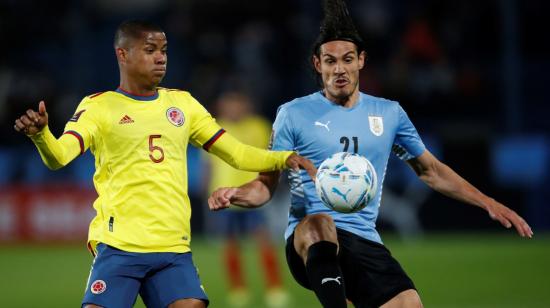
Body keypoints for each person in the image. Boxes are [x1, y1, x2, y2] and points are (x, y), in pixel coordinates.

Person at [207, 1, 534, 307]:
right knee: (319, 223)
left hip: (364, 239)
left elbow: (430, 171)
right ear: (317, 64)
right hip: (309, 243)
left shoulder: (389, 113)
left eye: (348, 59)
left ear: (361, 60)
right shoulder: (293, 114)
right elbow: (266, 185)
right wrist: (237, 193)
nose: (340, 69)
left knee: (408, 303)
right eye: (331, 61)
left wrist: (487, 202)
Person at [13, 20, 315, 308]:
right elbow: (58, 157)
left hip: (172, 248)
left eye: (164, 50)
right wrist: (41, 135)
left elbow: (236, 153)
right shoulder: (98, 107)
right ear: (123, 53)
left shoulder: (183, 104)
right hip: (119, 246)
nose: (161, 58)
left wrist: (283, 157)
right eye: (150, 50)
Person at [204, 91, 289, 307]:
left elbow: (269, 159)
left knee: (264, 244)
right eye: (229, 102)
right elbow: (209, 165)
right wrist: (207, 193)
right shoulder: (214, 127)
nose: (233, 107)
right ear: (222, 104)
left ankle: (275, 289)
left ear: (246, 103)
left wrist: (271, 187)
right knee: (229, 247)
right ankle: (238, 290)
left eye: (237, 101)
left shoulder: (259, 126)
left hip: (252, 196)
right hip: (224, 198)